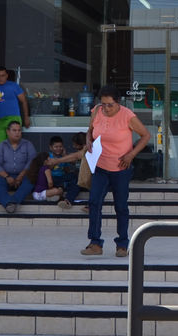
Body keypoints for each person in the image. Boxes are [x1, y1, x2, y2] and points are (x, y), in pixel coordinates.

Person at [82, 85, 150, 257]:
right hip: (100, 166)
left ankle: (122, 244)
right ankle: (95, 243)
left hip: (120, 168)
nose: (106, 108)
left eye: (110, 105)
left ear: (118, 102)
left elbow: (146, 135)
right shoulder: (96, 111)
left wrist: (131, 155)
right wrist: (88, 141)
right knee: (94, 202)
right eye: (103, 104)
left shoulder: (127, 116)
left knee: (120, 206)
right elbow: (90, 131)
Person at [0, 121, 37, 213]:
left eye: (19, 130)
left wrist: (21, 176)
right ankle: (10, 202)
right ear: (8, 132)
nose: (17, 133)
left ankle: (11, 203)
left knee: (31, 181)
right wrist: (7, 177)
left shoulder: (28, 144)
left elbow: (32, 162)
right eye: (14, 130)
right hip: (6, 176)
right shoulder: (1, 146)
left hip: (24, 176)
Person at [0, 66, 31, 149]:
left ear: (6, 76)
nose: (1, 78)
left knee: (14, 147)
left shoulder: (14, 86)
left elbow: (24, 101)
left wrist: (26, 117)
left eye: (3, 75)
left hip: (13, 119)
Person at [44, 135, 82, 209]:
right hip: (52, 179)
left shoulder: (63, 157)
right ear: (51, 147)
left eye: (60, 147)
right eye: (56, 147)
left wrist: (64, 156)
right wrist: (56, 161)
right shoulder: (48, 156)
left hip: (62, 178)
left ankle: (67, 200)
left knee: (76, 177)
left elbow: (67, 169)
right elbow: (47, 169)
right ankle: (59, 190)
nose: (58, 149)